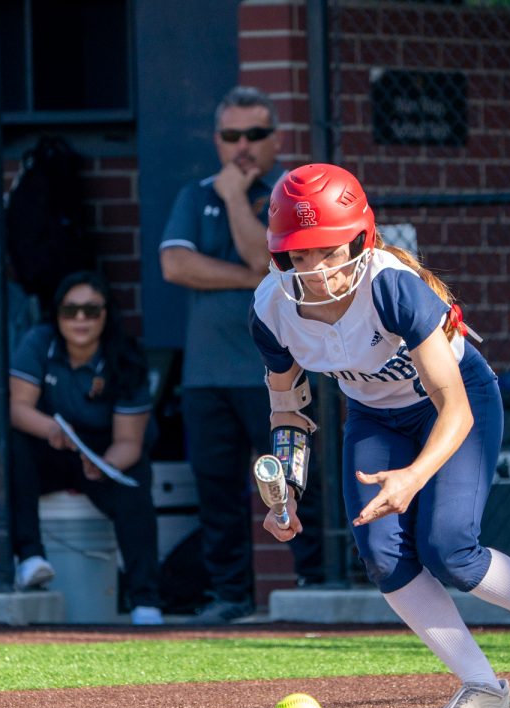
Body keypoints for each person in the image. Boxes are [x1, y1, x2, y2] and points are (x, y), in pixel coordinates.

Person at [252, 164, 510, 708]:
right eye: (300, 255)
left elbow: (455, 406)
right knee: (381, 556)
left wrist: (414, 476)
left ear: (360, 238)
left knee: (450, 548)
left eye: (329, 252)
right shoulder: (272, 308)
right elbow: (287, 406)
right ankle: (483, 690)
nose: (317, 271)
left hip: (453, 402)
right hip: (377, 415)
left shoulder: (393, 285)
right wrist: (287, 492)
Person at [160, 85, 323, 624]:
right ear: (217, 140)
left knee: (296, 480)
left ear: (275, 139)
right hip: (206, 374)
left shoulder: (289, 197)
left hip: (273, 370)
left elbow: (268, 260)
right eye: (232, 136)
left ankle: (314, 584)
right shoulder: (194, 194)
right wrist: (245, 276)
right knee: (217, 488)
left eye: (254, 135)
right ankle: (230, 595)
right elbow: (176, 266)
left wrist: (236, 199)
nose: (243, 147)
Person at [8, 270, 161, 614]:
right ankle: (30, 557)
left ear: (106, 315)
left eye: (91, 311)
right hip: (51, 441)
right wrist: (51, 430)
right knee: (15, 448)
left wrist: (106, 464)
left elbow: (129, 440)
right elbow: (17, 409)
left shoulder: (125, 358)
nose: (80, 319)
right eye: (70, 310)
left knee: (136, 478)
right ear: (57, 312)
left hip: (102, 452)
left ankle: (145, 603)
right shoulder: (39, 341)